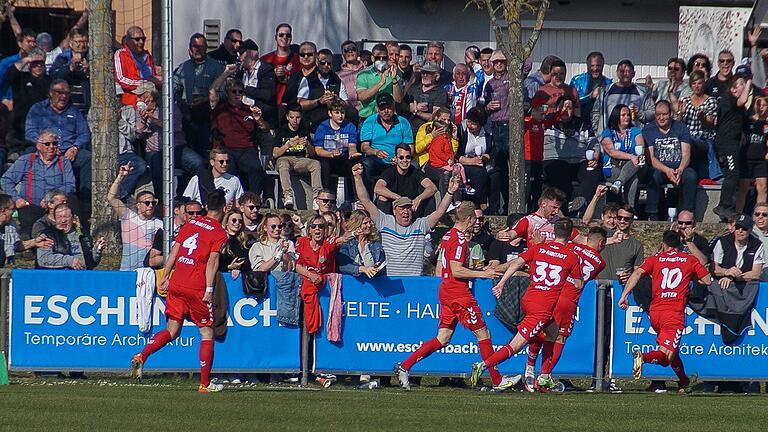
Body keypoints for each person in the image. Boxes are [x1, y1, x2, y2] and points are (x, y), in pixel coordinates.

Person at [394, 201, 505, 391]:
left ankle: (404, 366)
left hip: (446, 292)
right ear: (469, 219)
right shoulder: (460, 239)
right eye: (475, 220)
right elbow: (456, 270)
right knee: (483, 333)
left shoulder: (447, 236)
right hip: (459, 294)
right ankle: (496, 380)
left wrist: (475, 270)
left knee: (443, 338)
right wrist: (483, 274)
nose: (475, 223)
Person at [130, 190, 229, 393]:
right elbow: (212, 261)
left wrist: (165, 276)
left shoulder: (190, 224)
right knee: (206, 331)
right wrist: (209, 289)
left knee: (172, 330)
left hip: (177, 282)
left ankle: (142, 355)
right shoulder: (219, 232)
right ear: (225, 208)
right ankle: (204, 383)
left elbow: (174, 251)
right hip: (196, 286)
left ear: (206, 207)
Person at [469, 218, 583, 390]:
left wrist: (501, 283)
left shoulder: (539, 248)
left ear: (554, 232)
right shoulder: (571, 256)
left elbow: (516, 263)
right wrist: (565, 280)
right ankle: (483, 365)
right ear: (570, 234)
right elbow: (579, 283)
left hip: (529, 298)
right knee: (516, 345)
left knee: (553, 332)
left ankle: (544, 375)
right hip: (543, 306)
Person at [618, 230, 712, 394]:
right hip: (673, 313)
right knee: (666, 356)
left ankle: (684, 382)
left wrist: (624, 295)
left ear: (663, 244)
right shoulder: (689, 260)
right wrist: (690, 277)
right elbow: (707, 280)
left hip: (655, 313)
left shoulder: (655, 259)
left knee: (672, 351)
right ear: (680, 245)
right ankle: (643, 357)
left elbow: (638, 273)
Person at [523, 226, 607, 392]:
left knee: (540, 333)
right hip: (568, 300)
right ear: (602, 243)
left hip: (551, 294)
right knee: (559, 339)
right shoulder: (600, 263)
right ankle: (544, 377)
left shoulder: (570, 247)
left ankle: (530, 369)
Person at [352, 162, 458, 276]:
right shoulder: (385, 222)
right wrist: (357, 177)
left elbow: (440, 211)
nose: (405, 212)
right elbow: (365, 200)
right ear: (394, 210)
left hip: (414, 283)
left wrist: (450, 192)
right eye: (402, 208)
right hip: (391, 282)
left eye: (408, 208)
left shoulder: (421, 225)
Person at [0, 129, 76, 240]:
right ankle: (31, 245)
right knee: (29, 225)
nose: (51, 147)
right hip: (30, 205)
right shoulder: (26, 160)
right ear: (38, 146)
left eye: (54, 143)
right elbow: (6, 180)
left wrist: (52, 199)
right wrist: (16, 199)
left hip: (57, 205)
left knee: (72, 204)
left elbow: (70, 184)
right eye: (47, 144)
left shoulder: (63, 162)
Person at [25, 80, 91, 200]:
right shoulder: (38, 109)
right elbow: (30, 133)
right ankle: (31, 198)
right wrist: (47, 146)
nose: (64, 96)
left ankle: (85, 200)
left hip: (68, 152)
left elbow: (84, 134)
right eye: (59, 92)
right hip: (44, 150)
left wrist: (75, 147)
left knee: (87, 158)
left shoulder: (74, 111)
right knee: (27, 155)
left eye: (67, 93)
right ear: (50, 93)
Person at [209, 70, 271, 198]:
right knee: (227, 171)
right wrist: (225, 73)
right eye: (233, 91)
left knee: (256, 168)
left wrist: (258, 119)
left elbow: (265, 129)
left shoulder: (250, 109)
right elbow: (213, 91)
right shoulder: (220, 107)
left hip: (246, 149)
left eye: (240, 92)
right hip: (225, 150)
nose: (237, 94)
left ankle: (252, 201)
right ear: (227, 93)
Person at [542, 97, 601, 212]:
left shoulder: (582, 124)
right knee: (558, 170)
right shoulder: (547, 123)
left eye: (569, 107)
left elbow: (594, 143)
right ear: (557, 108)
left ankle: (579, 202)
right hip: (555, 160)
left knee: (593, 171)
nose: (566, 110)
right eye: (563, 106)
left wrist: (595, 155)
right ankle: (566, 206)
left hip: (579, 161)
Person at [643, 100, 697, 220]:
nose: (661, 118)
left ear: (671, 114)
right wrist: (667, 170)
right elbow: (650, 157)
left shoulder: (681, 128)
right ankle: (652, 214)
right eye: (658, 115)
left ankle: (688, 212)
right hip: (660, 168)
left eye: (664, 114)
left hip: (679, 167)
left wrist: (681, 169)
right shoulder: (648, 129)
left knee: (691, 176)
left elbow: (686, 153)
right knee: (653, 175)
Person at [173, 32, 224, 156]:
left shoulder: (216, 67)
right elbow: (174, 87)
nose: (198, 49)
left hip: (207, 116)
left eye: (201, 46)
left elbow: (223, 93)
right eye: (195, 46)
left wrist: (206, 99)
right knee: (187, 151)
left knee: (204, 152)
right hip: (187, 115)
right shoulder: (183, 67)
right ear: (190, 49)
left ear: (206, 48)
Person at [107, 164, 163, 270]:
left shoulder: (159, 223)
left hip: (146, 272)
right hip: (126, 270)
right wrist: (121, 176)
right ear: (138, 205)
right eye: (147, 203)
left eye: (153, 203)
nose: (151, 205)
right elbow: (111, 197)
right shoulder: (128, 216)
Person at [714, 75, 752, 220]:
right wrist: (749, 80)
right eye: (741, 84)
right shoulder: (728, 99)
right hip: (727, 142)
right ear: (734, 88)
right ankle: (723, 206)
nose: (745, 87)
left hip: (732, 142)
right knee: (732, 173)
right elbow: (742, 100)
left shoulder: (734, 103)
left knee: (733, 173)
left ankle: (726, 206)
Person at [294, 214, 340, 335]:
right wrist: (311, 275)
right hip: (307, 286)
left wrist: (353, 233)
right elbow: (297, 266)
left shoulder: (328, 243)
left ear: (325, 229)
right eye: (313, 226)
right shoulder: (301, 242)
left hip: (325, 288)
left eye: (321, 226)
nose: (317, 229)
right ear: (309, 229)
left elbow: (341, 240)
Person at [359, 92, 414, 192]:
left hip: (397, 160)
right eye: (382, 108)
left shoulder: (403, 122)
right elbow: (364, 147)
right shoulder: (369, 122)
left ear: (393, 107)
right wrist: (375, 152)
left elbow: (410, 146)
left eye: (388, 107)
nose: (386, 111)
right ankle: (365, 199)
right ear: (377, 109)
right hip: (376, 161)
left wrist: (401, 158)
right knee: (365, 164)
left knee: (413, 166)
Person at [273, 103, 322, 209]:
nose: (295, 120)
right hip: (285, 159)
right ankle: (288, 195)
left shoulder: (304, 130)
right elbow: (275, 153)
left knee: (315, 164)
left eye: (298, 117)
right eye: (292, 117)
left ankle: (317, 197)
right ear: (287, 117)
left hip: (301, 160)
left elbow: (313, 153)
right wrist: (288, 145)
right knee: (283, 162)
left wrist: (307, 144)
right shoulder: (281, 131)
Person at [314, 99, 360, 206]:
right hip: (328, 157)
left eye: (342, 112)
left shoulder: (350, 126)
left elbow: (352, 146)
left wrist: (353, 153)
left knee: (354, 163)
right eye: (337, 113)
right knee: (324, 164)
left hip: (344, 158)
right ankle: (327, 198)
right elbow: (318, 150)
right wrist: (330, 154)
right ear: (330, 113)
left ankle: (355, 199)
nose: (340, 116)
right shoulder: (322, 127)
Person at [591, 59, 654, 136]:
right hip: (609, 139)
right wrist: (598, 132)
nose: (625, 74)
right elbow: (595, 112)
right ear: (617, 73)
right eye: (622, 71)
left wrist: (640, 113)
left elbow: (652, 113)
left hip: (634, 140)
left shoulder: (642, 92)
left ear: (633, 74)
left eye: (628, 71)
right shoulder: (605, 91)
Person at [678, 70, 720, 182]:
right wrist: (680, 113)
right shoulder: (685, 100)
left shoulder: (711, 101)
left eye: (699, 83)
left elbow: (710, 122)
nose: (697, 86)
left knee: (691, 142)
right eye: (694, 83)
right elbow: (678, 124)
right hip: (688, 137)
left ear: (704, 84)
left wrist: (703, 118)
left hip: (704, 138)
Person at [374, 144, 437, 218]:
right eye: (401, 157)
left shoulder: (415, 172)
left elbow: (432, 187)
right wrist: (398, 198)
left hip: (412, 207)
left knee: (429, 196)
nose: (405, 160)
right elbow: (377, 188)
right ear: (396, 159)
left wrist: (419, 198)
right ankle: (384, 227)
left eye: (408, 157)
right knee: (382, 197)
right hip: (395, 207)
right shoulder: (389, 172)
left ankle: (428, 227)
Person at [117, 83, 156, 199]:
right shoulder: (95, 111)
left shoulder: (128, 110)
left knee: (141, 165)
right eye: (115, 96)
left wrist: (120, 121)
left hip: (126, 153)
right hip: (105, 153)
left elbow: (133, 136)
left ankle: (120, 195)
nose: (117, 99)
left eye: (119, 96)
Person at [601, 104, 645, 207]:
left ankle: (619, 183)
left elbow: (640, 150)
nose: (627, 117)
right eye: (623, 115)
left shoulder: (636, 131)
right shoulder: (608, 132)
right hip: (613, 166)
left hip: (634, 165)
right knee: (633, 177)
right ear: (616, 116)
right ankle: (629, 209)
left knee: (636, 164)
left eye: (628, 115)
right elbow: (611, 152)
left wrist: (634, 158)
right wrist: (631, 156)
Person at [484, 50, 511, 214]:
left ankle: (510, 206)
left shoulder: (513, 79)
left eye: (502, 61)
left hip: (510, 126)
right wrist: (488, 107)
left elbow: (527, 63)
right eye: (496, 62)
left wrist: (508, 55)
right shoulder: (489, 84)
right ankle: (496, 208)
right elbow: (484, 108)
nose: (499, 64)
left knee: (513, 169)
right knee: (498, 169)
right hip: (495, 126)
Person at [36, 204, 103, 270]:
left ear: (73, 218)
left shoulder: (81, 235)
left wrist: (97, 251)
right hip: (58, 276)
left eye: (66, 217)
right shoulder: (48, 235)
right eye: (59, 217)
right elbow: (43, 259)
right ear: (55, 219)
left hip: (82, 276)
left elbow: (91, 263)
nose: (63, 220)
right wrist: (69, 260)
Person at [296, 49, 349, 131]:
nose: (326, 66)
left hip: (334, 128)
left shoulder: (337, 80)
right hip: (313, 127)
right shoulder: (308, 80)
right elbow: (300, 104)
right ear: (317, 62)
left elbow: (346, 104)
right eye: (322, 63)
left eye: (329, 63)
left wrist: (337, 100)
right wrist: (318, 101)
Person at [4, 48, 49, 144]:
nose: (39, 65)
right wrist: (27, 59)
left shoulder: (50, 81)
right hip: (21, 128)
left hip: (44, 127)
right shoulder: (21, 78)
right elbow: (9, 75)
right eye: (35, 63)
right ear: (30, 64)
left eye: (41, 62)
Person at [0, 193, 53, 267]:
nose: (15, 212)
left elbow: (16, 246)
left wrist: (34, 242)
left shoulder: (9, 227)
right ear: (3, 211)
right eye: (12, 209)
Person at [712, 214, 764, 289]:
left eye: (744, 228)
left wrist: (733, 277)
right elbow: (714, 269)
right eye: (738, 227)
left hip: (745, 285)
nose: (740, 231)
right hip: (721, 284)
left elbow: (756, 273)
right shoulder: (722, 242)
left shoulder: (757, 245)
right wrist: (726, 272)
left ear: (750, 230)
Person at [455, 107, 493, 206]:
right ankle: (476, 204)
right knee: (479, 173)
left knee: (495, 174)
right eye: (469, 122)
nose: (469, 125)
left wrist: (485, 157)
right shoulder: (461, 130)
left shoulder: (488, 132)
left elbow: (494, 151)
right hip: (464, 162)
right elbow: (456, 154)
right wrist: (472, 161)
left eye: (474, 124)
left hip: (483, 161)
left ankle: (494, 207)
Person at [113, 26, 161, 106]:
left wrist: (159, 80)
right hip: (133, 99)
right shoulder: (121, 54)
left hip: (153, 96)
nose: (141, 42)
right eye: (137, 39)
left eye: (143, 39)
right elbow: (121, 79)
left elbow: (153, 77)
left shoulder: (147, 55)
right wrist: (147, 82)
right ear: (128, 41)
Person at [355, 43, 402, 121]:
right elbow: (361, 97)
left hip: (389, 119)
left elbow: (398, 100)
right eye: (378, 58)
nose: (381, 60)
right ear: (372, 58)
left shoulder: (393, 74)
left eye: (384, 58)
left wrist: (394, 80)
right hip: (368, 118)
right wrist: (381, 83)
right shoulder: (363, 74)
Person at [236, 39, 277, 128]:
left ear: (252, 54)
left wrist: (245, 89)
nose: (240, 58)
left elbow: (267, 95)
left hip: (262, 119)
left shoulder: (266, 70)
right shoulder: (241, 72)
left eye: (242, 53)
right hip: (243, 118)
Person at [50, 28, 90, 114]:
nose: (82, 45)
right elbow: (54, 77)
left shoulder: (93, 59)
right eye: (78, 42)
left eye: (85, 41)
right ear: (71, 43)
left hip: (87, 109)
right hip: (66, 108)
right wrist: (70, 67)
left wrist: (89, 72)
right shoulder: (62, 58)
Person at [738, 95, 768, 210]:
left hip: (761, 159)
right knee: (743, 188)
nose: (761, 108)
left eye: (764, 105)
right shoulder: (748, 120)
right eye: (759, 105)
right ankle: (738, 215)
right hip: (746, 158)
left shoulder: (766, 124)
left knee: (762, 187)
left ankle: (760, 213)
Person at [337, 210, 386, 277]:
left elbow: (383, 272)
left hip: (371, 284)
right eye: (365, 223)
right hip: (351, 284)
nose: (369, 225)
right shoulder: (347, 244)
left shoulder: (376, 245)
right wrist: (362, 269)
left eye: (370, 222)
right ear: (357, 224)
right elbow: (343, 266)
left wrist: (376, 269)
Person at [261, 23, 300, 105]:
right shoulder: (265, 59)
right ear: (276, 37)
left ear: (291, 38)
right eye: (281, 35)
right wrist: (272, 75)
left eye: (288, 35)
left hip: (291, 105)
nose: (284, 38)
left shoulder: (299, 59)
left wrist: (288, 79)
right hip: (270, 104)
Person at [406, 61, 448, 133]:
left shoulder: (441, 93)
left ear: (437, 76)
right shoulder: (414, 88)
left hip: (426, 131)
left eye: (428, 73)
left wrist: (416, 111)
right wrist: (412, 107)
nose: (424, 75)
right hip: (409, 128)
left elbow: (435, 117)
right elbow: (403, 105)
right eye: (423, 72)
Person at [570, 51, 612, 119]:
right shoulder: (577, 81)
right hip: (580, 120)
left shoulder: (608, 83)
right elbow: (571, 103)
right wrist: (590, 96)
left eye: (598, 65)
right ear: (587, 66)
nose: (595, 69)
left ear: (603, 66)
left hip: (600, 121)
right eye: (592, 66)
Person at [219, 209, 250, 280]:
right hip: (222, 278)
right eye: (234, 220)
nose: (237, 223)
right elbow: (214, 263)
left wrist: (238, 268)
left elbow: (247, 264)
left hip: (238, 277)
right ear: (226, 222)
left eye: (240, 221)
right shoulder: (220, 239)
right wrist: (229, 267)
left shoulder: (244, 241)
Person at [338, 40, 364, 111]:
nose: (350, 52)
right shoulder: (338, 76)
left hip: (368, 112)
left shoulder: (367, 70)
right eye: (346, 50)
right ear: (342, 54)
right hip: (348, 114)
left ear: (357, 52)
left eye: (353, 49)